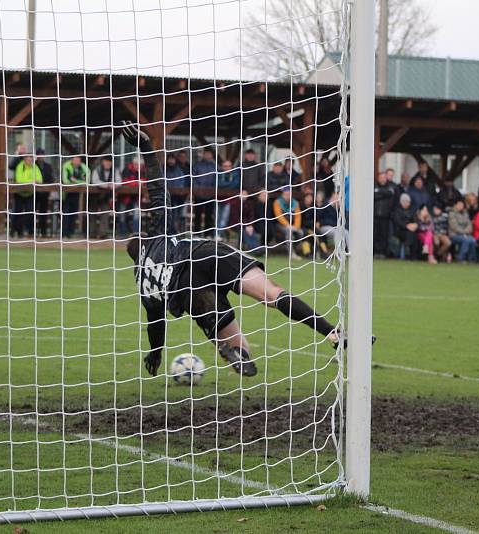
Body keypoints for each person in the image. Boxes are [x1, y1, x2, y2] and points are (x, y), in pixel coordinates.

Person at [119, 122, 366, 379]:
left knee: (240, 346)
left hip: (186, 289)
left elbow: (155, 323)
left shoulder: (143, 284)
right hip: (203, 255)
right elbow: (159, 190)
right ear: (143, 241)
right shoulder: (157, 235)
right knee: (271, 294)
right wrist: (146, 147)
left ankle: (236, 352)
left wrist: (155, 353)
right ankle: (332, 333)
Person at [12, 154, 43, 238]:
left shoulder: (35, 167)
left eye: (31, 160)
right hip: (19, 193)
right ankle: (18, 232)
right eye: (28, 160)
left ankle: (29, 231)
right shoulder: (20, 166)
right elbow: (19, 180)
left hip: (30, 194)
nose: (30, 162)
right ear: (25, 160)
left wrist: (33, 182)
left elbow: (40, 179)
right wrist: (32, 181)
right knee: (18, 213)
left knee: (30, 213)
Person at [90, 155, 121, 238]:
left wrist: (114, 185)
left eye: (109, 162)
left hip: (106, 197)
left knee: (105, 214)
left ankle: (102, 234)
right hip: (94, 196)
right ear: (102, 162)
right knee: (91, 214)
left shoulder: (115, 170)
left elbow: (119, 181)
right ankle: (91, 233)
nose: (108, 163)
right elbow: (95, 181)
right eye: (106, 161)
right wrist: (107, 185)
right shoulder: (97, 169)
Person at [61, 155, 89, 238]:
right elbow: (65, 181)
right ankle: (64, 233)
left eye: (78, 160)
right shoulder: (66, 166)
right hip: (66, 194)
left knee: (74, 213)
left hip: (76, 193)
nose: (77, 162)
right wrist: (80, 182)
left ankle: (70, 233)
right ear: (72, 160)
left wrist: (74, 180)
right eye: (75, 160)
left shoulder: (84, 167)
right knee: (65, 213)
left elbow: (87, 181)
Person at [273, 185, 303, 259]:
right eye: (285, 194)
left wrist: (296, 226)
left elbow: (298, 216)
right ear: (282, 194)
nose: (287, 196)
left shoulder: (295, 203)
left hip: (293, 225)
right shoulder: (277, 202)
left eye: (289, 194)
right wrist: (288, 225)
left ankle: (294, 250)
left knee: (301, 233)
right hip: (280, 225)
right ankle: (291, 253)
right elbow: (279, 216)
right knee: (289, 231)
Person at [373, 170, 396, 257]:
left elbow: (390, 194)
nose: (382, 179)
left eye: (384, 178)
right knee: (375, 234)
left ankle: (382, 252)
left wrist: (379, 192)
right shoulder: (374, 186)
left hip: (385, 216)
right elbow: (373, 195)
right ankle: (375, 252)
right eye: (381, 178)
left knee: (384, 235)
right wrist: (383, 193)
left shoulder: (391, 187)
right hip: (375, 215)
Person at [165, 152, 188, 233]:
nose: (171, 161)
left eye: (172, 159)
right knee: (167, 215)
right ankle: (168, 231)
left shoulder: (178, 170)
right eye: (169, 159)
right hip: (166, 197)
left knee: (175, 215)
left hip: (176, 198)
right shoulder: (164, 169)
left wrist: (178, 191)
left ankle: (173, 231)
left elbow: (181, 182)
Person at [448, 199, 477, 263]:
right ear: (455, 205)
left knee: (472, 240)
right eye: (459, 205)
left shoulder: (465, 213)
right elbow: (454, 226)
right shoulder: (452, 213)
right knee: (466, 240)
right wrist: (463, 233)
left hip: (466, 234)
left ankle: (471, 259)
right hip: (454, 235)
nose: (461, 206)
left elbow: (469, 224)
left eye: (462, 205)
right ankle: (460, 258)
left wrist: (466, 232)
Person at [392, 193, 418, 260]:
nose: (407, 203)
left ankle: (413, 255)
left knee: (414, 235)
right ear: (401, 202)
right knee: (409, 234)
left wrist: (415, 225)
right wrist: (406, 226)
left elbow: (415, 220)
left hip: (410, 230)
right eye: (405, 201)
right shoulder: (397, 210)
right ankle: (407, 254)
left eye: (408, 202)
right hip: (400, 230)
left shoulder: (411, 210)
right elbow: (398, 221)